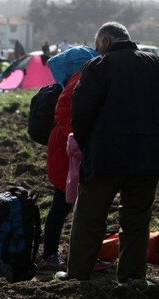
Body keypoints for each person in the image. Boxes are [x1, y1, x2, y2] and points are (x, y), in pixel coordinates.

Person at [56, 22, 159, 282]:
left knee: (90, 216)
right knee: (136, 220)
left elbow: (81, 112)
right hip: (147, 159)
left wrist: (86, 143)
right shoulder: (155, 64)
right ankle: (133, 278)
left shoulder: (98, 67)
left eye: (97, 44)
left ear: (105, 41)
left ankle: (78, 274)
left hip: (104, 157)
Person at [42, 46, 98, 270]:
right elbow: (64, 114)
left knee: (77, 203)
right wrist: (80, 142)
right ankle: (50, 255)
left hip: (71, 149)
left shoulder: (78, 79)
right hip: (67, 151)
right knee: (61, 203)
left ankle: (78, 253)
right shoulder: (78, 80)